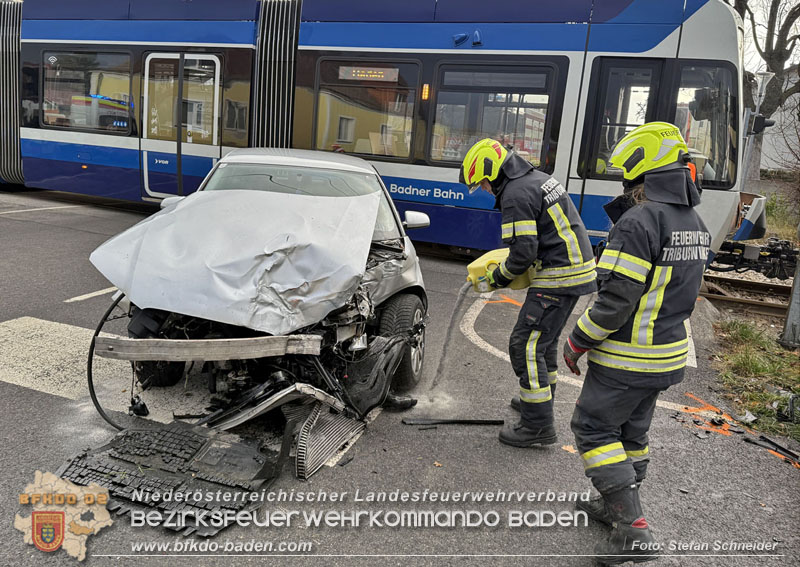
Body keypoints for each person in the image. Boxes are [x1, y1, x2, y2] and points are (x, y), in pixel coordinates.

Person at [562, 122, 710, 564]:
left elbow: (615, 300)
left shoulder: (639, 220)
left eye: (624, 175)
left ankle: (634, 530)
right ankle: (615, 506)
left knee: (592, 428)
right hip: (666, 356)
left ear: (639, 172)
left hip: (629, 357)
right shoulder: (692, 220)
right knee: (632, 434)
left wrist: (576, 341)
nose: (621, 184)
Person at [459, 139, 596, 447]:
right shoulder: (536, 179)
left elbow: (522, 253)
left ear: (492, 173)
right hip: (572, 270)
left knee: (525, 345)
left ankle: (537, 425)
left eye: (482, 182)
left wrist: (495, 278)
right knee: (542, 343)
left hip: (559, 275)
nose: (484, 189)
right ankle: (539, 402)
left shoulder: (516, 194)